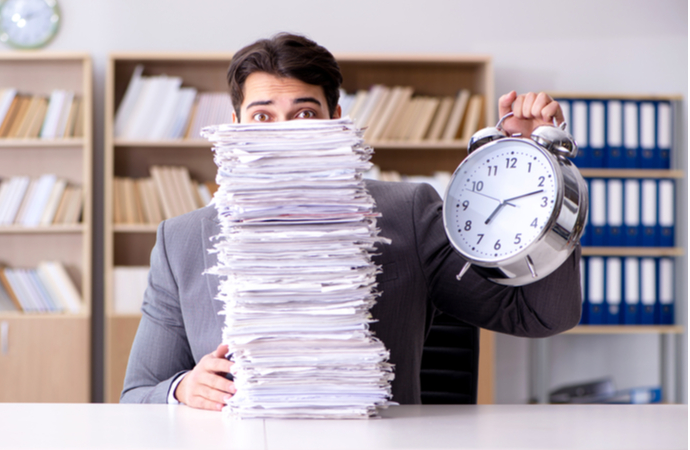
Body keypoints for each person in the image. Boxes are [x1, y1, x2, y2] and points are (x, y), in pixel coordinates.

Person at [121, 33, 581, 410]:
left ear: (336, 120)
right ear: (235, 125)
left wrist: (536, 166)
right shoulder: (180, 241)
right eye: (263, 117)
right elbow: (138, 394)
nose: (285, 134)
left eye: (305, 113)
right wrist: (181, 390)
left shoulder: (409, 213)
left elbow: (542, 315)